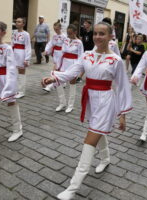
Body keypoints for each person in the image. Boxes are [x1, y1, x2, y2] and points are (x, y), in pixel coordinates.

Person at [42, 22, 132, 200]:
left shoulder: (116, 61)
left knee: (89, 141)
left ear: (110, 36)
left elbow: (123, 88)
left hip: (106, 102)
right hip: (91, 100)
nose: (98, 37)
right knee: (98, 132)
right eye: (96, 33)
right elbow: (70, 73)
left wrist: (123, 115)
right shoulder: (86, 55)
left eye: (102, 34)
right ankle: (105, 159)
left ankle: (72, 188)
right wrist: (53, 78)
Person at [47, 24, 84, 113]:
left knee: (72, 85)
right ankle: (62, 103)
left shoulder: (79, 42)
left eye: (70, 33)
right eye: (67, 33)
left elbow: (81, 56)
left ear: (75, 32)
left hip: (73, 64)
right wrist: (57, 64)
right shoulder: (66, 40)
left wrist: (78, 69)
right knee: (58, 82)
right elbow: (61, 53)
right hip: (64, 63)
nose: (68, 35)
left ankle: (70, 105)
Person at [42, 20, 66, 92]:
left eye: (57, 29)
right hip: (55, 53)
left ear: (60, 28)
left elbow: (66, 46)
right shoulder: (54, 36)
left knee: (55, 70)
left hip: (61, 54)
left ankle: (50, 86)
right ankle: (63, 81)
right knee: (59, 70)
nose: (55, 30)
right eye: (54, 29)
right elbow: (50, 43)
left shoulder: (64, 36)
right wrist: (46, 50)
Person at [12, 17, 32, 98]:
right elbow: (12, 44)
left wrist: (27, 59)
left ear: (23, 24)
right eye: (16, 21)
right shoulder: (14, 32)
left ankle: (21, 91)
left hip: (21, 54)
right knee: (15, 73)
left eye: (19, 22)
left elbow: (28, 46)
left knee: (21, 73)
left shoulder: (26, 34)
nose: (17, 23)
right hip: (14, 53)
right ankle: (16, 90)